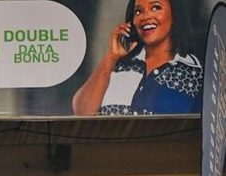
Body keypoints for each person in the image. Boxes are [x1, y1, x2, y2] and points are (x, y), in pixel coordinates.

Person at [72, 0, 203, 115]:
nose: (145, 16)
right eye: (139, 11)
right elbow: (82, 111)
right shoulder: (116, 67)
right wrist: (111, 57)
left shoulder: (195, 73)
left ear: (174, 15)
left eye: (155, 7)